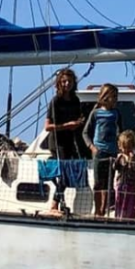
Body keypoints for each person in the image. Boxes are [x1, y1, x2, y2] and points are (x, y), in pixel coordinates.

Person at [43, 68, 84, 213]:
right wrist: (66, 126)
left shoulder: (75, 100)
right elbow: (47, 126)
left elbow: (79, 118)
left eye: (69, 81)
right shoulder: (56, 101)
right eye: (64, 81)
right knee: (65, 172)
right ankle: (55, 203)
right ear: (59, 83)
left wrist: (78, 123)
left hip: (70, 140)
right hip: (57, 142)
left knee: (69, 171)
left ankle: (58, 202)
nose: (67, 84)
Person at [82, 83, 120, 217]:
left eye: (116, 96)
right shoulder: (96, 113)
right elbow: (85, 132)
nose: (115, 99)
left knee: (109, 182)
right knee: (98, 182)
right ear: (105, 96)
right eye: (113, 96)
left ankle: (104, 210)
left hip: (112, 152)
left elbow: (120, 131)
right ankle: (97, 210)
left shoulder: (116, 113)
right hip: (99, 152)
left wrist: (120, 148)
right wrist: (92, 147)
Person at [114, 129, 135, 220]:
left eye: (129, 147)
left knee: (130, 202)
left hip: (131, 185)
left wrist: (132, 160)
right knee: (119, 201)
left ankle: (130, 218)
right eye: (124, 147)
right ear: (120, 147)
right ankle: (119, 218)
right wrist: (118, 159)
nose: (126, 150)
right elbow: (115, 167)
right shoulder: (120, 157)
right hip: (120, 184)